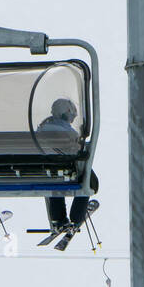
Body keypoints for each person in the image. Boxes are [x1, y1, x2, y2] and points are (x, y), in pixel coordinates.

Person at [37, 98, 91, 232]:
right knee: (88, 180)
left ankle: (58, 218)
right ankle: (76, 217)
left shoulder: (42, 129)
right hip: (65, 170)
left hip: (42, 170)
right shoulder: (69, 133)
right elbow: (78, 150)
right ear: (66, 113)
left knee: (53, 180)